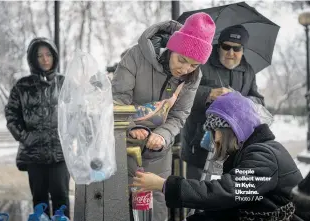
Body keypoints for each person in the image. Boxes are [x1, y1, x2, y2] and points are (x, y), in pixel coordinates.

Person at [132, 92, 304, 221]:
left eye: (215, 132)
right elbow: (229, 203)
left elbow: (224, 193)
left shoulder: (263, 156)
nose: (213, 139)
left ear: (230, 130)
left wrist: (164, 185)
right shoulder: (252, 151)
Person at [112, 13, 216, 221]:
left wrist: (163, 135)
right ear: (172, 47)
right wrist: (132, 127)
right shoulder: (135, 57)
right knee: (122, 199)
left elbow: (179, 114)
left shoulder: (192, 77)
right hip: (125, 140)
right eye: (182, 60)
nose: (184, 69)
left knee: (155, 201)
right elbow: (117, 99)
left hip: (158, 149)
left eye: (194, 65)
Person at [181, 25, 265, 181]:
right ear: (218, 46)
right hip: (199, 143)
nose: (231, 53)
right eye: (226, 47)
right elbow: (181, 92)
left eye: (236, 48)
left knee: (226, 195)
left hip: (233, 146)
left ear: (243, 50)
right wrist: (208, 94)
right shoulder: (200, 63)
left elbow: (259, 101)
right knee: (196, 193)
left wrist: (240, 100)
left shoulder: (248, 71)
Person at [5, 37, 70, 218]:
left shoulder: (64, 83)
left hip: (60, 154)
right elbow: (11, 115)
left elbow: (76, 114)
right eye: (40, 55)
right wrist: (25, 137)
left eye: (48, 54)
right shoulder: (22, 86)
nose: (45, 59)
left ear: (54, 56)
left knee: (61, 200)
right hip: (33, 154)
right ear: (33, 59)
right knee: (39, 201)